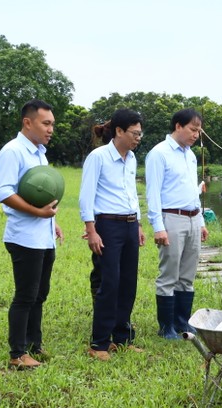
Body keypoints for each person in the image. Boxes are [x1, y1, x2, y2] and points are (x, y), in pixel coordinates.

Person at [0, 99, 64, 369]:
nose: (50, 129)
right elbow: (4, 192)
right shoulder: (13, 151)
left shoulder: (39, 152)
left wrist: (51, 223)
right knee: (25, 295)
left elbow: (41, 194)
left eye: (52, 125)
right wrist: (37, 214)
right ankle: (17, 354)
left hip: (42, 235)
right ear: (27, 122)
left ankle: (35, 344)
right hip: (24, 237)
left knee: (40, 294)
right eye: (46, 123)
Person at [79, 109, 146, 360]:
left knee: (128, 282)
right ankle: (99, 343)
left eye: (140, 134)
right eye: (134, 133)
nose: (138, 138)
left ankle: (122, 338)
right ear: (119, 131)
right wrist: (91, 229)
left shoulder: (131, 159)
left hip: (129, 224)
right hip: (107, 225)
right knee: (110, 283)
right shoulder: (99, 157)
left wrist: (138, 225)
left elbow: (132, 194)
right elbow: (86, 195)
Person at [145, 108, 208, 339]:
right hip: (171, 218)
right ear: (178, 126)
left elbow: (193, 193)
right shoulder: (159, 154)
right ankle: (166, 327)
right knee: (169, 274)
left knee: (187, 275)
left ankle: (183, 322)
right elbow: (153, 194)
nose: (196, 135)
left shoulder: (190, 155)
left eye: (198, 131)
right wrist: (158, 227)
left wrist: (201, 221)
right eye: (193, 129)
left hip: (192, 217)